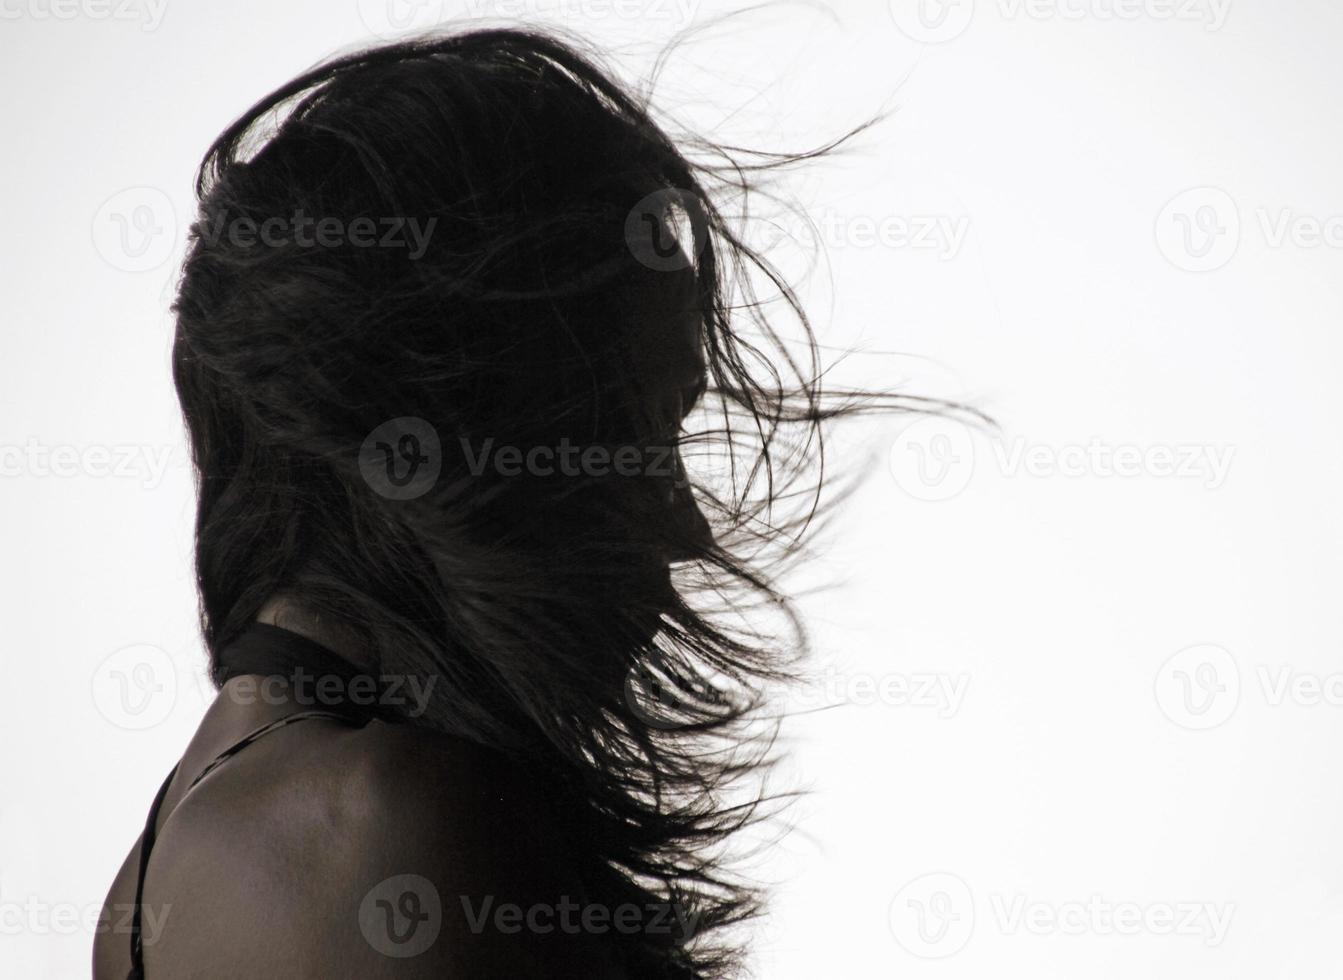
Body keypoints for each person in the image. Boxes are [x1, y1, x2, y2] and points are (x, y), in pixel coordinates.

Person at [90, 25, 898, 979]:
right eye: (633, 435)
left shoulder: (149, 887)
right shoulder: (392, 826)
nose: (685, 527)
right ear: (456, 437)